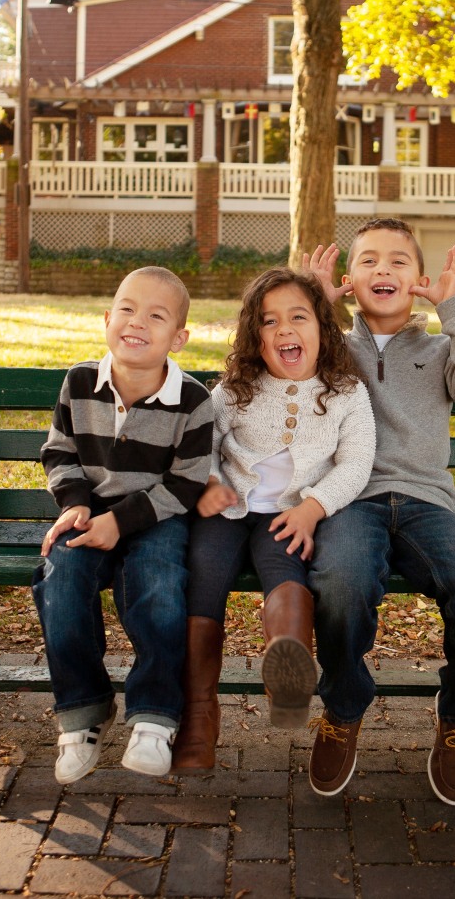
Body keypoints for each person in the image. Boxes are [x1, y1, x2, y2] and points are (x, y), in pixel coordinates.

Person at [305, 218, 455, 805]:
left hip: (425, 504)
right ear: (349, 279)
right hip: (349, 500)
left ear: (419, 279)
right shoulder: (330, 348)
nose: (383, 270)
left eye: (398, 261)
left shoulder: (443, 348)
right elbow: (276, 372)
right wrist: (315, 307)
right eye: (368, 260)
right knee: (340, 583)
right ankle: (343, 708)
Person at [171, 267, 376, 772]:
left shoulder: (346, 392)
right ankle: (199, 715)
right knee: (204, 574)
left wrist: (313, 507)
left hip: (288, 514)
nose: (285, 329)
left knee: (286, 570)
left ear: (322, 329)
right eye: (269, 322)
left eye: (298, 317)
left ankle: (287, 666)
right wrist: (213, 482)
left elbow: (356, 462)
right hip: (226, 511)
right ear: (255, 339)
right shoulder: (236, 389)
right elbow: (204, 445)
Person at [32, 266, 214, 784]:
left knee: (158, 585)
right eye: (128, 310)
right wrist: (74, 503)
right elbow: (59, 451)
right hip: (88, 511)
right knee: (60, 576)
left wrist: (123, 521)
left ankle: (155, 716)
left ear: (178, 337)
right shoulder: (80, 382)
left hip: (157, 517)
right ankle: (83, 710)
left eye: (156, 316)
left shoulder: (193, 402)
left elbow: (186, 484)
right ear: (108, 318)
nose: (138, 322)